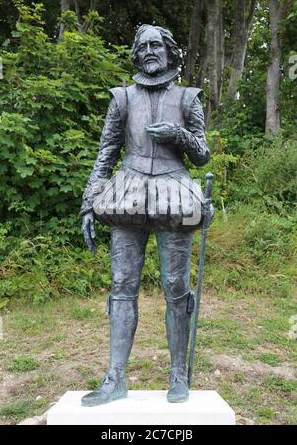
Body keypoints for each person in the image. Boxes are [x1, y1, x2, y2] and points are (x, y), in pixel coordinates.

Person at [80, 24, 210, 406]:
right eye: (144, 46)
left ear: (170, 53)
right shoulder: (122, 99)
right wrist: (90, 201)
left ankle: (178, 374)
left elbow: (202, 154)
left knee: (176, 287)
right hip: (128, 193)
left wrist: (179, 136)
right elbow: (106, 153)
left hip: (174, 193)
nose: (150, 51)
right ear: (136, 54)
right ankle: (115, 377)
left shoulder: (188, 98)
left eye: (157, 45)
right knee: (122, 286)